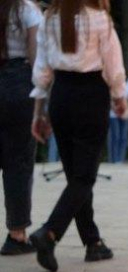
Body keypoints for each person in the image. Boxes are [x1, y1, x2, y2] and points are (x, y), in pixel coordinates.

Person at [28, 0, 126, 272]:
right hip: (91, 94)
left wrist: (39, 112)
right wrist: (119, 96)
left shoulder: (50, 18)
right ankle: (49, 232)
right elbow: (113, 63)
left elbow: (42, 69)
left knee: (76, 176)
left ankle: (92, 242)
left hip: (61, 94)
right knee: (84, 176)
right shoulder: (99, 18)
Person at [0, 0, 41, 256]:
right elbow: (36, 56)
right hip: (18, 84)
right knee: (18, 162)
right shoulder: (26, 9)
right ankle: (17, 233)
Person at [106, 78, 128, 163]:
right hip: (113, 115)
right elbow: (110, 99)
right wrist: (117, 110)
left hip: (124, 115)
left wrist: (126, 112)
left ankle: (121, 159)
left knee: (123, 138)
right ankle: (113, 159)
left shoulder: (126, 85)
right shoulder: (111, 86)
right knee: (115, 137)